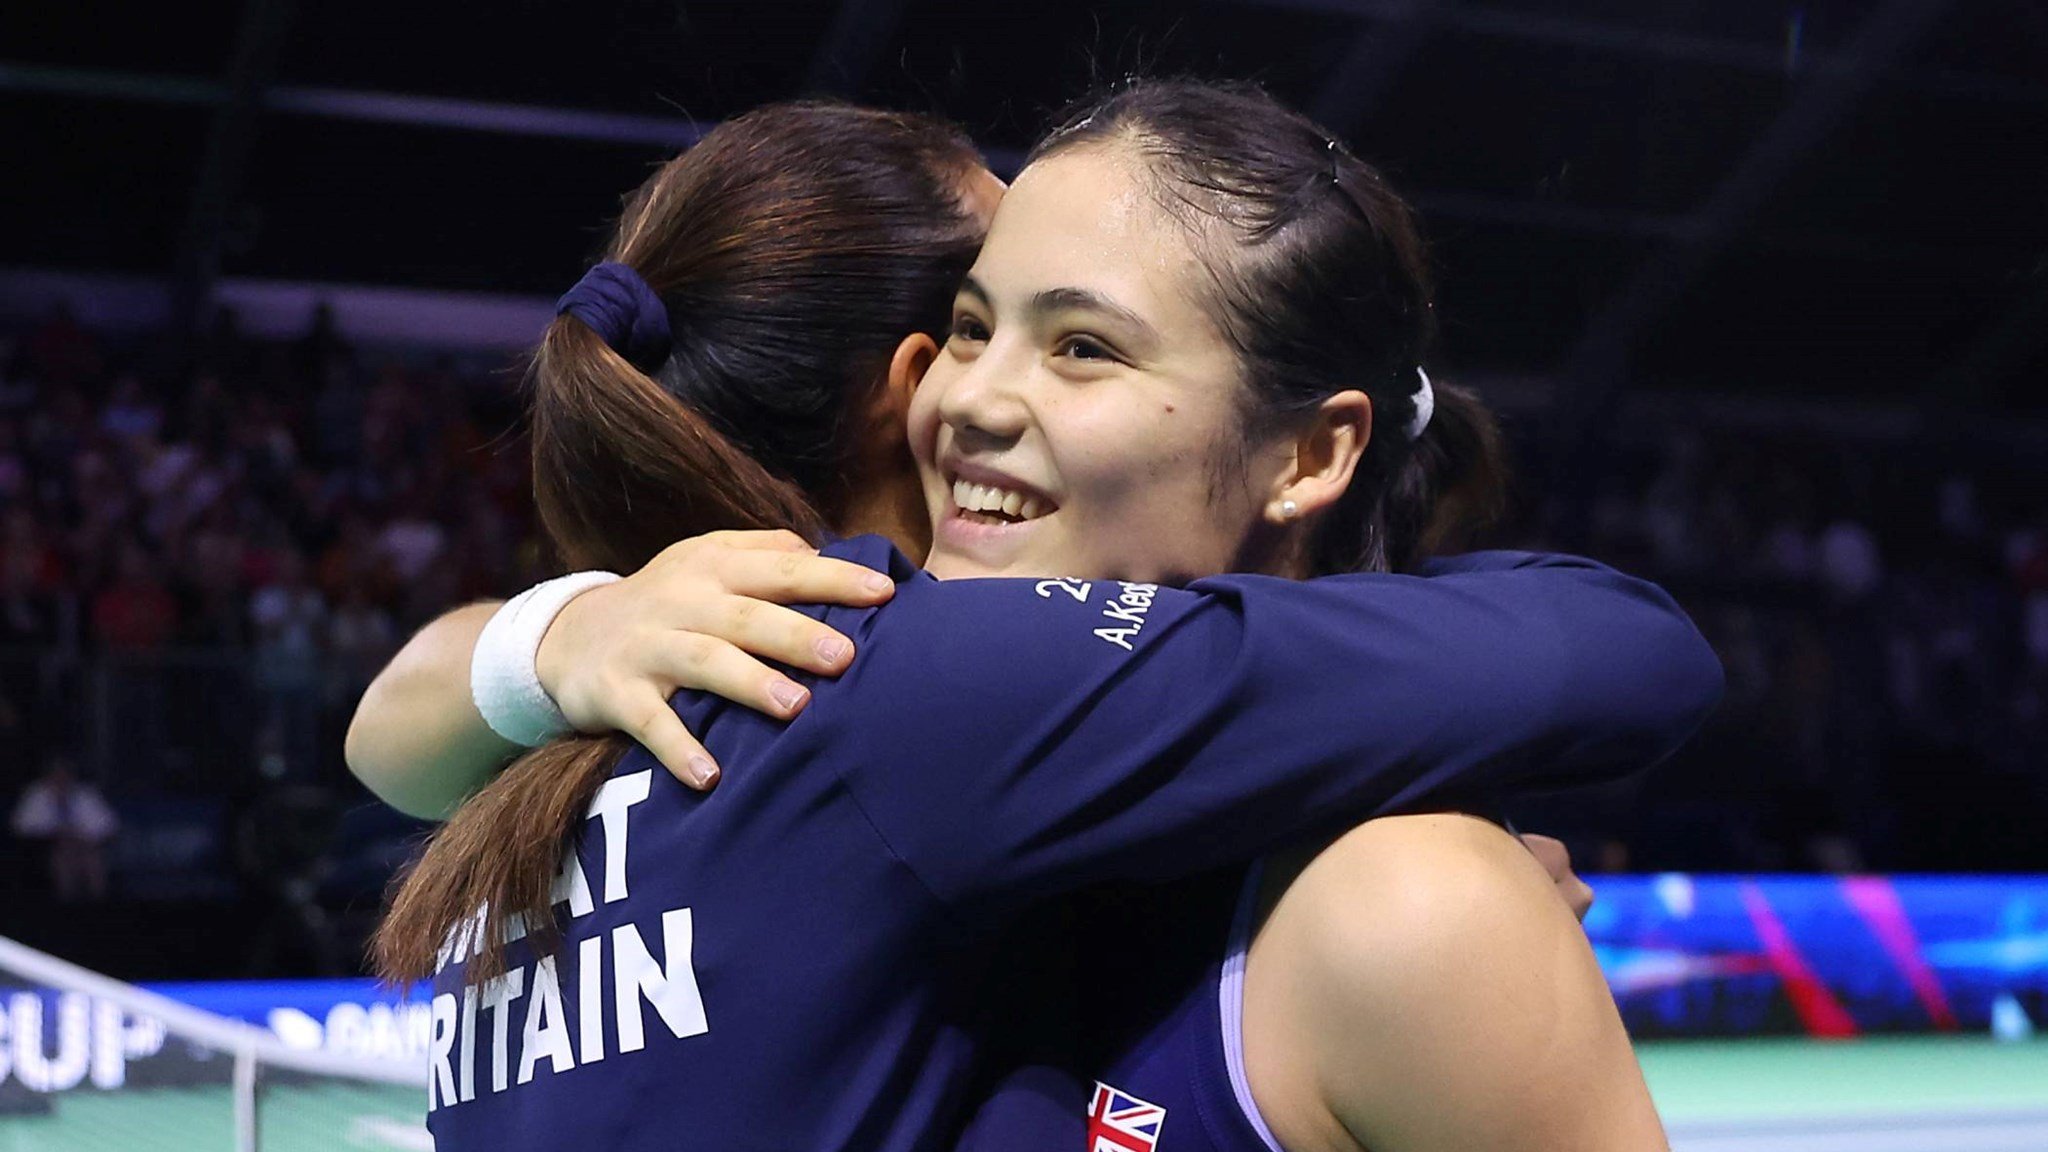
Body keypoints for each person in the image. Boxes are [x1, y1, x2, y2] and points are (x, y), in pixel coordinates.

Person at [358, 95, 1718, 1150]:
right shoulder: (897, 691)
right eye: (969, 323)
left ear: (1311, 454)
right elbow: (1625, 647)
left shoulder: (552, 758)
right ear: (897, 383)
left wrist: (548, 633)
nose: (977, 398)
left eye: (1081, 345)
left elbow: (385, 727)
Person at [10, 755, 119, 901]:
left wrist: (83, 837)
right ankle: (66, 901)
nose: (61, 780)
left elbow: (108, 825)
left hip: (84, 845)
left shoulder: (86, 794)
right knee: (64, 854)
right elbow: (21, 825)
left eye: (65, 775)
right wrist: (56, 833)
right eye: (56, 775)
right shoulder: (35, 794)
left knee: (92, 858)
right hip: (45, 845)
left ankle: (98, 901)